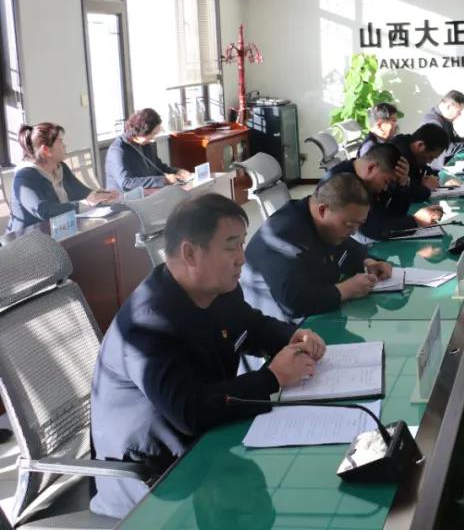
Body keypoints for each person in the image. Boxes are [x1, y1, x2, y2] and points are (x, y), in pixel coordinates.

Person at [89, 194, 327, 518]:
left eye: (242, 244)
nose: (241, 258)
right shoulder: (147, 326)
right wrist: (272, 378)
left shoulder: (219, 290)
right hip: (159, 480)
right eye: (231, 247)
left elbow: (252, 326)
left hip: (212, 445)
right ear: (190, 253)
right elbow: (189, 411)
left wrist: (292, 336)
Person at [241, 173, 393, 322]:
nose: (354, 232)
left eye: (358, 224)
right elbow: (293, 303)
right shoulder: (284, 237)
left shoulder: (324, 223)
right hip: (283, 324)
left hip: (318, 311)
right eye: (349, 225)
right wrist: (346, 290)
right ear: (322, 210)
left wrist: (368, 262)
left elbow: (347, 247)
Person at [7, 122, 117, 233]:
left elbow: (82, 192)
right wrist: (85, 203)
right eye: (60, 141)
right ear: (46, 150)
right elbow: (44, 211)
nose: (65, 145)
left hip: (58, 233)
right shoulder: (25, 176)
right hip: (27, 240)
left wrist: (102, 196)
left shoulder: (60, 167)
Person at [325, 143, 442, 239]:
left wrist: (403, 184)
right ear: (371, 167)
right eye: (386, 181)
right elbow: (374, 229)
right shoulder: (342, 182)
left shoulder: (370, 178)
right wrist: (417, 221)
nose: (385, 188)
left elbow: (394, 214)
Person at [105, 108, 191, 192]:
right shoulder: (117, 150)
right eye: (152, 134)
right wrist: (163, 180)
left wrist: (177, 171)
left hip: (148, 195)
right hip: (126, 199)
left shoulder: (145, 144)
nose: (153, 138)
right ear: (140, 131)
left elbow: (159, 167)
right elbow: (127, 183)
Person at [420, 90, 464, 163]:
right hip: (441, 168)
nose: (459, 115)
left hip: (451, 162)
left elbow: (455, 140)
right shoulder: (433, 122)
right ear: (448, 106)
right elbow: (446, 149)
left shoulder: (445, 118)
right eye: (458, 112)